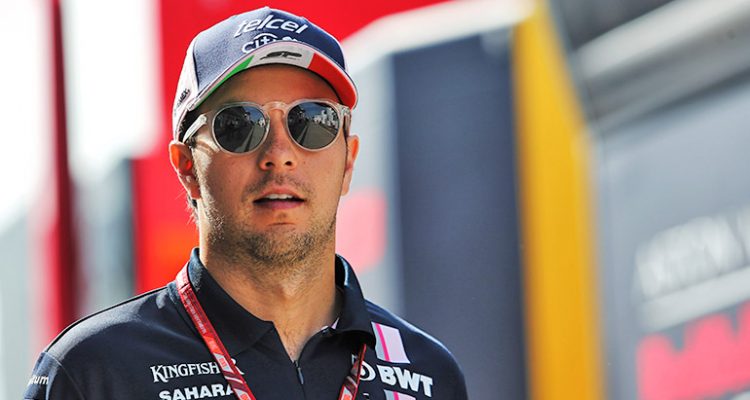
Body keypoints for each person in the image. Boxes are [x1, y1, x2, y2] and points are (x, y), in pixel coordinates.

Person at [24, 7, 468, 400]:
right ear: (186, 167)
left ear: (348, 160)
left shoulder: (429, 373)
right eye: (239, 125)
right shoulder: (95, 371)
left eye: (312, 121)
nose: (280, 152)